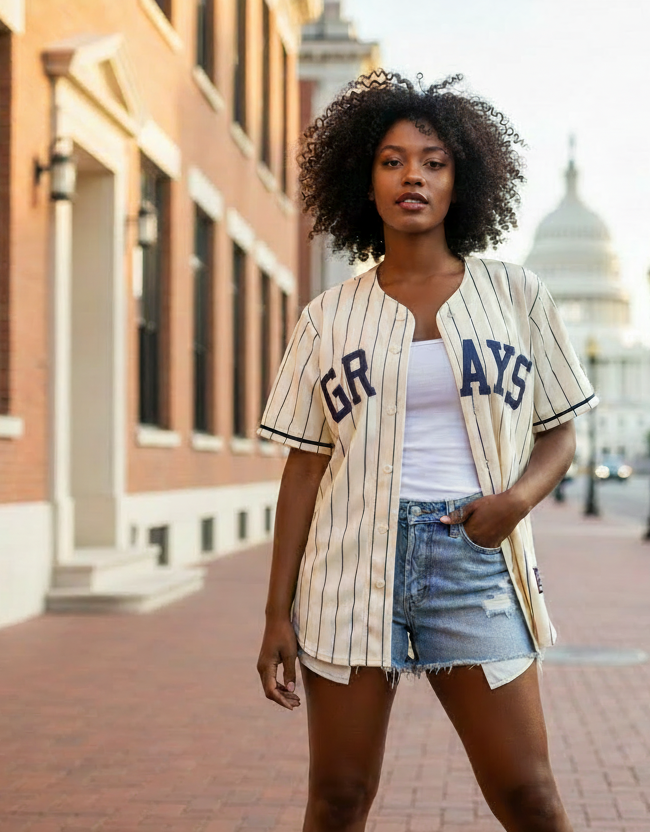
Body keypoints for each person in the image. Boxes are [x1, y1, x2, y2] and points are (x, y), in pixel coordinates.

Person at [256, 71, 597, 832]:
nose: (413, 175)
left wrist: (515, 501)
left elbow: (560, 429)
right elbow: (305, 465)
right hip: (349, 568)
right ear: (363, 180)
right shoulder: (327, 317)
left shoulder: (516, 295)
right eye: (392, 160)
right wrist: (275, 613)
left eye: (434, 161)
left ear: (460, 181)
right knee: (339, 798)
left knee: (529, 796)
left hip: (474, 561)